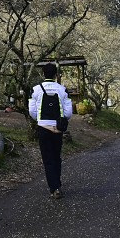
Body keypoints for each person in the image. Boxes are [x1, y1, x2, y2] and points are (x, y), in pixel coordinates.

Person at [28, 62, 73, 199]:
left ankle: (54, 188)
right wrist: (60, 119)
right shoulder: (62, 89)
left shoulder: (35, 90)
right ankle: (57, 182)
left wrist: (40, 119)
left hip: (43, 128)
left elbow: (32, 111)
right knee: (56, 157)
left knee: (47, 159)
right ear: (55, 75)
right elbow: (68, 113)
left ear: (43, 74)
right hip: (57, 128)